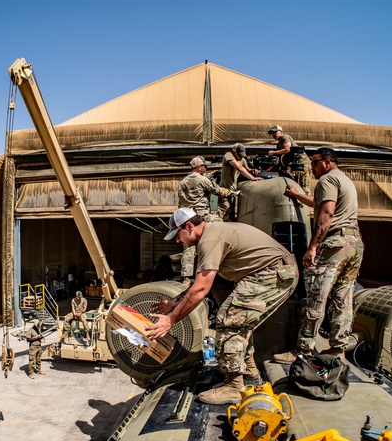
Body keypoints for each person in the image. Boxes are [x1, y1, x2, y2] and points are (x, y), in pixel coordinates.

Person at [147, 207, 298, 405]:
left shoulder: (210, 240)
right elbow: (200, 283)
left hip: (272, 273)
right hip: (272, 272)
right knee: (241, 323)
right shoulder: (211, 235)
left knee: (229, 320)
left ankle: (234, 387)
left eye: (178, 235)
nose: (178, 241)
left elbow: (201, 290)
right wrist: (174, 304)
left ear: (189, 226)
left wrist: (171, 319)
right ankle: (250, 375)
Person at [275, 147, 363, 363]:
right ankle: (338, 349)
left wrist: (313, 246)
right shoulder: (345, 180)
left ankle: (302, 349)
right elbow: (319, 202)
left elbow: (326, 213)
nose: (311, 168)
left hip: (335, 243)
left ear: (325, 162)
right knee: (343, 299)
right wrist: (297, 195)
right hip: (354, 243)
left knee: (317, 297)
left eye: (313, 163)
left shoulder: (327, 180)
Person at [178, 156, 238, 278]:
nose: (205, 168)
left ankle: (186, 276)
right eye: (204, 166)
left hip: (187, 216)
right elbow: (217, 190)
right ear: (199, 167)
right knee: (220, 226)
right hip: (200, 215)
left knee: (188, 246)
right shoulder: (201, 180)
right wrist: (233, 193)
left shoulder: (183, 181)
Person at [218, 143, 262, 221]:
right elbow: (239, 168)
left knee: (232, 215)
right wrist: (253, 178)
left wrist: (253, 171)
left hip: (234, 192)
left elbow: (247, 169)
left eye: (243, 155)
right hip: (225, 191)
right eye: (240, 155)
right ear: (234, 152)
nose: (241, 157)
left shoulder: (242, 159)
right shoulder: (228, 155)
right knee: (225, 215)